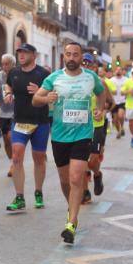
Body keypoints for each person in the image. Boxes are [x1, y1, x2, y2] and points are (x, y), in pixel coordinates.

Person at [33, 42, 105, 244]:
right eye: (68, 54)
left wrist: (99, 109)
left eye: (75, 54)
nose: (72, 58)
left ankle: (71, 222)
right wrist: (46, 98)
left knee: (76, 178)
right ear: (63, 56)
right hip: (59, 136)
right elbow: (35, 99)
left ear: (81, 57)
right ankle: (71, 208)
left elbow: (101, 93)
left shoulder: (91, 77)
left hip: (83, 135)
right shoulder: (54, 78)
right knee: (65, 181)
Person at [2, 42, 51, 212]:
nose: (21, 55)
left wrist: (40, 92)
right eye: (19, 52)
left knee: (39, 158)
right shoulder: (14, 72)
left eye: (25, 52)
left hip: (40, 122)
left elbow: (53, 95)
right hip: (20, 121)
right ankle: (19, 197)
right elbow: (8, 84)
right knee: (16, 157)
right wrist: (8, 93)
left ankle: (38, 192)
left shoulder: (44, 74)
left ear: (34, 55)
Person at [82, 58, 114, 203]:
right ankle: (85, 192)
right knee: (81, 159)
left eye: (89, 64)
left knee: (93, 160)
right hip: (80, 126)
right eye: (83, 63)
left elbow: (111, 103)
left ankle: (97, 174)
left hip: (97, 125)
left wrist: (102, 110)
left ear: (95, 67)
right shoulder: (75, 83)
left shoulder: (100, 82)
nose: (86, 66)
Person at [0, 54, 16, 176]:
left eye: (7, 64)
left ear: (13, 64)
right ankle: (12, 161)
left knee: (11, 137)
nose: (4, 66)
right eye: (3, 64)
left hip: (16, 112)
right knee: (6, 141)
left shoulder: (18, 74)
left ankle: (14, 164)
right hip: (3, 112)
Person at [110, 67, 127, 138]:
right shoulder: (111, 80)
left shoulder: (126, 80)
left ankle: (122, 127)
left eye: (120, 70)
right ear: (115, 71)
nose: (118, 71)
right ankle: (119, 131)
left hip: (122, 101)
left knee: (120, 116)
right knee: (115, 120)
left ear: (122, 71)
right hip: (114, 102)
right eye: (117, 70)